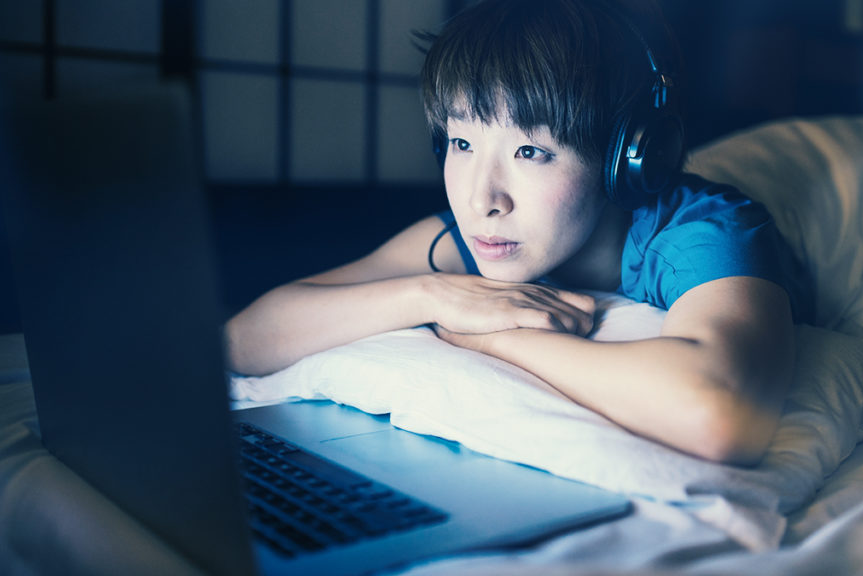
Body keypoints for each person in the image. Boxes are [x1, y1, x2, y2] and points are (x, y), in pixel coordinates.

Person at [225, 0, 813, 466]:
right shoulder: (469, 237)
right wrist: (429, 294)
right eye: (462, 143)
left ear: (627, 157)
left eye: (531, 150)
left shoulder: (702, 230)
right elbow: (243, 340)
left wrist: (489, 339)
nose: (483, 199)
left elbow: (717, 417)